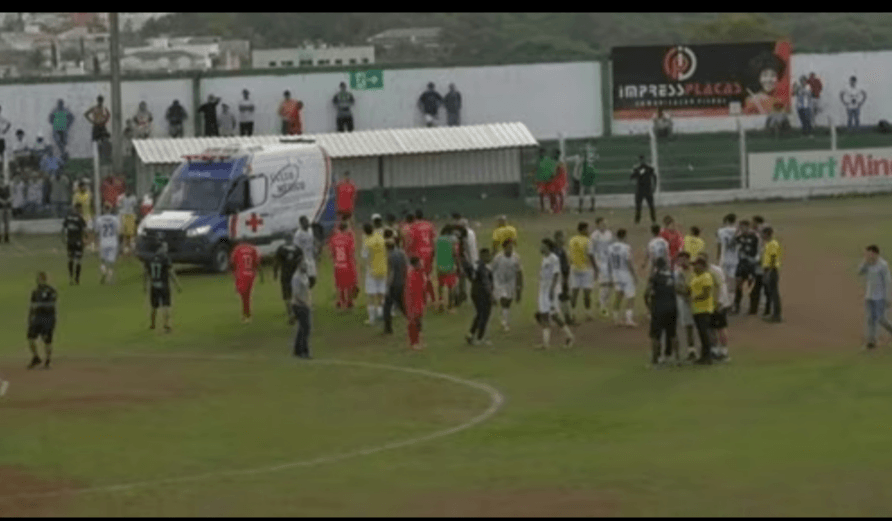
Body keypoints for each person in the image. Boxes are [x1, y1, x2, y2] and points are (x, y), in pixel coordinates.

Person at [536, 238, 575, 349]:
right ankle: (546, 343)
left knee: (554, 315)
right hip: (543, 290)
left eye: (542, 245)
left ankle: (570, 337)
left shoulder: (554, 259)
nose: (541, 247)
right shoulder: (544, 258)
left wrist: (552, 291)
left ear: (547, 247)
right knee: (544, 315)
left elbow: (556, 275)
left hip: (550, 290)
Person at [645, 257, 679, 366]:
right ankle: (677, 358)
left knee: (655, 335)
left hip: (658, 308)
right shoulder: (673, 276)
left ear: (656, 266)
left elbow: (646, 294)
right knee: (673, 334)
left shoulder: (654, 277)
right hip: (672, 308)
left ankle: (655, 359)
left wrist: (649, 307)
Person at [858, 245, 892, 350]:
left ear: (874, 253)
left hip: (880, 297)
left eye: (868, 253)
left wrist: (888, 297)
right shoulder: (868, 264)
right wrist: (865, 262)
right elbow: (860, 272)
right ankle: (872, 342)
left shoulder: (883, 265)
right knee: (871, 320)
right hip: (870, 296)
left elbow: (887, 282)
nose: (866, 255)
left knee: (881, 319)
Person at [144, 241, 181, 332]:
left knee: (154, 306)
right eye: (164, 247)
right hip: (163, 285)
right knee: (166, 305)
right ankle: (166, 325)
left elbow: (146, 273)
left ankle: (152, 324)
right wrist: (177, 284)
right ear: (160, 248)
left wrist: (145, 285)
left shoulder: (150, 259)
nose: (166, 249)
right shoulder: (165, 258)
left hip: (154, 285)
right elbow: (171, 272)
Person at [702, 252, 731, 361]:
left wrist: (720, 302)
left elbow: (721, 287)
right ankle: (714, 349)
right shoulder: (703, 271)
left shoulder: (715, 271)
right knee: (710, 327)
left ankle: (724, 351)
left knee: (720, 327)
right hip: (710, 304)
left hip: (719, 303)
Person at [26, 271, 57, 370]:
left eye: (40, 278)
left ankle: (48, 360)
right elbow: (31, 306)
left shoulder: (51, 291)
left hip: (48, 318)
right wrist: (30, 318)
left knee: (47, 340)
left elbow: (52, 304)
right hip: (37, 319)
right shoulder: (35, 292)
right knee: (30, 338)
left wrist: (39, 306)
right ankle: (36, 357)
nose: (39, 280)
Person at [607, 228, 638, 327]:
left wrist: (610, 276)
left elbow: (609, 263)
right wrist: (634, 275)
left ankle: (616, 320)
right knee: (631, 297)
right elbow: (629, 263)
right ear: (624, 236)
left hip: (615, 274)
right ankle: (629, 320)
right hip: (625, 274)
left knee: (618, 296)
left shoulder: (610, 247)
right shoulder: (626, 247)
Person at [687, 257, 715, 364]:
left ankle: (708, 357)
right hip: (696, 309)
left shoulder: (706, 277)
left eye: (696, 265)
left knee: (705, 333)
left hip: (705, 309)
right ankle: (703, 356)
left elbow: (706, 293)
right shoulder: (694, 276)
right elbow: (690, 289)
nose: (694, 267)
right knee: (701, 333)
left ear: (702, 266)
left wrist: (694, 298)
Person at [490, 239, 523, 332]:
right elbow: (492, 269)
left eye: (511, 247)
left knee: (508, 302)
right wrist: (491, 283)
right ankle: (504, 323)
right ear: (504, 248)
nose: (510, 249)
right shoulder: (498, 257)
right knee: (503, 299)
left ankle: (504, 319)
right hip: (499, 282)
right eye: (508, 247)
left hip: (511, 282)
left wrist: (519, 288)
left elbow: (519, 272)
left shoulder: (516, 257)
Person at [743, 51, 787, 115]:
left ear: (778, 77)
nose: (768, 80)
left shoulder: (780, 101)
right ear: (758, 78)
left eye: (773, 75)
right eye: (765, 75)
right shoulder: (751, 101)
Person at [465, 247, 494, 345]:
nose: (489, 257)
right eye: (488, 255)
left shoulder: (476, 265)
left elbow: (470, 276)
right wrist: (491, 295)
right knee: (484, 315)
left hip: (475, 291)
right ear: (483, 256)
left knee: (479, 314)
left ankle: (471, 334)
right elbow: (486, 283)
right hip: (482, 293)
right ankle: (479, 338)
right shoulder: (482, 267)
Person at [731, 219, 760, 315]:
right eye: (740, 227)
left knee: (750, 287)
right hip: (741, 264)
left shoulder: (754, 237)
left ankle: (753, 308)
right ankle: (736, 305)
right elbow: (731, 246)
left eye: (744, 227)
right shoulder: (738, 237)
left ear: (748, 227)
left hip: (751, 265)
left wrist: (756, 262)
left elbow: (758, 250)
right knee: (738, 284)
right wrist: (735, 234)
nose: (742, 229)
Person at [230, 241, 263, 323]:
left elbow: (232, 262)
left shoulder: (237, 249)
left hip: (240, 274)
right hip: (250, 274)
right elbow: (257, 262)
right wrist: (260, 274)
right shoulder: (253, 249)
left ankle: (246, 314)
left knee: (244, 296)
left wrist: (233, 272)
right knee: (247, 295)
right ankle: (246, 314)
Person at [382, 231, 408, 335]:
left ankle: (388, 329)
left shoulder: (390, 256)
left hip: (394, 284)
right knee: (402, 305)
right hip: (402, 282)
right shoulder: (402, 253)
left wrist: (388, 286)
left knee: (387, 307)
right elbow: (406, 266)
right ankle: (413, 321)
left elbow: (391, 272)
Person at [362, 222, 388, 325]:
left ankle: (372, 319)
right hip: (383, 269)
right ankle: (382, 314)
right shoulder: (380, 238)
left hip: (372, 271)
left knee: (371, 295)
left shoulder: (367, 242)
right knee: (382, 294)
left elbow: (364, 257)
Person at [568, 222, 595, 322]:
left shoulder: (572, 240)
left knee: (574, 292)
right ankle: (587, 313)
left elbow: (570, 254)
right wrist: (595, 268)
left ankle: (573, 313)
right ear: (583, 230)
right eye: (587, 229)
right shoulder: (588, 241)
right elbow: (591, 255)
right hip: (586, 269)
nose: (588, 231)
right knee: (587, 293)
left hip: (574, 268)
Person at [409, 209, 437, 305]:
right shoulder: (429, 225)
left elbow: (412, 240)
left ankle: (424, 298)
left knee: (420, 276)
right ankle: (432, 297)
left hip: (419, 253)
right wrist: (433, 251)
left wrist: (410, 253)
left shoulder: (413, 226)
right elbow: (432, 239)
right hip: (429, 252)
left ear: (415, 217)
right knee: (428, 276)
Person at [329, 221, 358, 310]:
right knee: (349, 283)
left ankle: (341, 301)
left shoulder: (334, 238)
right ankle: (349, 302)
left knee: (339, 284)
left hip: (338, 264)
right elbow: (352, 251)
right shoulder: (348, 238)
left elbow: (331, 252)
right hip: (347, 263)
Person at [588, 217, 614, 316]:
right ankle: (603, 307)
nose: (604, 225)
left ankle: (602, 301)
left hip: (609, 262)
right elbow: (590, 252)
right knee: (605, 284)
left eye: (605, 223)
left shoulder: (609, 234)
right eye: (602, 223)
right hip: (600, 262)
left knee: (611, 284)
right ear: (597, 224)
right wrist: (595, 267)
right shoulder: (594, 236)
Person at [290, 248, 313, 359]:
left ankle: (297, 349)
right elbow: (296, 294)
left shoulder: (304, 275)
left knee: (302, 328)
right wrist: (305, 303)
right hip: (299, 305)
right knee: (305, 328)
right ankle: (304, 351)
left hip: (304, 304)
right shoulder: (296, 277)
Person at [274, 235, 302, 324]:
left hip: (285, 274)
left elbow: (277, 262)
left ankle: (290, 314)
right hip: (296, 274)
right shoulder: (297, 249)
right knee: (296, 293)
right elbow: (301, 262)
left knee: (287, 295)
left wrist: (275, 272)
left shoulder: (281, 249)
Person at [674, 251, 696, 354]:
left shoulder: (695, 270)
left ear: (688, 259)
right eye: (680, 259)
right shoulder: (678, 272)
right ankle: (691, 349)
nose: (682, 261)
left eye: (684, 259)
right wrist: (687, 293)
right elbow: (677, 288)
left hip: (697, 301)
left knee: (701, 325)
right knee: (689, 326)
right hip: (685, 301)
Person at [94, 203, 120, 285]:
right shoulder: (115, 219)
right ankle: (109, 278)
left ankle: (104, 271)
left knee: (102, 261)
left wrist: (95, 242)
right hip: (113, 242)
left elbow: (96, 231)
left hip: (103, 242)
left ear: (103, 209)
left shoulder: (99, 219)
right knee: (111, 263)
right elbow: (118, 230)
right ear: (110, 209)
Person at [435, 224, 459, 313]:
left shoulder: (439, 239)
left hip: (440, 265)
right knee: (451, 286)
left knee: (440, 286)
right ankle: (450, 306)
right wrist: (458, 264)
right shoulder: (453, 239)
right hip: (450, 266)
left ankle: (440, 305)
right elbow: (455, 252)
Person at [761, 226, 782, 323]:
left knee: (774, 294)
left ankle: (777, 316)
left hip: (772, 270)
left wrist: (769, 270)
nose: (762, 235)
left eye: (763, 233)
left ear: (767, 234)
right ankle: (775, 314)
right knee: (772, 293)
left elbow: (773, 257)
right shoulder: (769, 243)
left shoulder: (772, 244)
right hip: (769, 270)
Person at [405, 256, 427, 350]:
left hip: (419, 300)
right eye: (419, 262)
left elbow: (423, 287)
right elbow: (410, 291)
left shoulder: (419, 273)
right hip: (413, 302)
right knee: (413, 322)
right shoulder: (412, 275)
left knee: (419, 321)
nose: (421, 264)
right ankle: (413, 343)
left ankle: (419, 341)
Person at [552, 230, 573, 324]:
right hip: (558, 276)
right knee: (560, 296)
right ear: (557, 238)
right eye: (562, 237)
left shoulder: (561, 249)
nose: (564, 239)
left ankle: (567, 317)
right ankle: (562, 318)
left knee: (565, 296)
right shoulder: (555, 251)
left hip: (564, 275)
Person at [62, 203, 86, 285]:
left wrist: (64, 239)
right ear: (79, 209)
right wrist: (84, 240)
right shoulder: (80, 218)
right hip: (78, 241)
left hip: (70, 241)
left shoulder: (68, 217)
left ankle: (71, 277)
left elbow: (64, 228)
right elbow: (84, 229)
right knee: (78, 260)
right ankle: (77, 279)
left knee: (70, 259)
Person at [716, 214, 739, 294]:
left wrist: (718, 257)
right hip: (735, 257)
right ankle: (732, 296)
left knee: (723, 279)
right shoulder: (737, 230)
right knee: (733, 279)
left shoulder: (720, 231)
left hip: (724, 257)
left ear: (726, 221)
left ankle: (725, 297)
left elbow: (719, 245)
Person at [631, 155, 658, 225]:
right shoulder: (638, 168)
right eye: (641, 160)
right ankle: (637, 220)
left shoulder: (649, 168)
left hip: (647, 190)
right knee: (638, 206)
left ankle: (653, 219)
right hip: (640, 190)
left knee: (651, 206)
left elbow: (654, 177)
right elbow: (632, 177)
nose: (642, 161)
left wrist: (654, 186)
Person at [293, 215, 318, 288]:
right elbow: (296, 248)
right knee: (307, 278)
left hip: (311, 256)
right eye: (304, 222)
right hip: (304, 258)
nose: (307, 223)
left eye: (307, 221)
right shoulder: (298, 234)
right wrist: (299, 260)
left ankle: (306, 290)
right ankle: (304, 292)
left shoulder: (310, 230)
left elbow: (312, 241)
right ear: (301, 224)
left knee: (313, 277)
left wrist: (315, 250)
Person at [533, 148, 556, 213]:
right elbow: (536, 170)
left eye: (542, 153)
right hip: (540, 180)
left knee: (550, 194)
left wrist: (551, 177)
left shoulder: (548, 160)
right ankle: (543, 208)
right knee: (541, 195)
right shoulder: (537, 161)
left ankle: (552, 208)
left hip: (548, 180)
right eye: (540, 153)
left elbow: (552, 168)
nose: (541, 154)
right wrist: (536, 179)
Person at [116, 188, 138, 255]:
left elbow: (135, 207)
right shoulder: (121, 197)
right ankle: (121, 247)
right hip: (122, 215)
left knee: (130, 233)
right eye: (127, 190)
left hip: (130, 215)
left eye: (130, 190)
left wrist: (136, 215)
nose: (128, 191)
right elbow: (118, 206)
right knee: (122, 232)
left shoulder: (134, 198)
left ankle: (128, 247)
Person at [577, 142, 597, 213]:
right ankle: (593, 206)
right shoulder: (593, 153)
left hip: (585, 172)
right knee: (592, 190)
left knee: (582, 190)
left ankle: (580, 207)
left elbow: (581, 161)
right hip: (592, 172)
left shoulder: (584, 153)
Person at [546, 149, 568, 214]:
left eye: (557, 154)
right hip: (554, 181)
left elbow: (562, 173)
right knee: (553, 195)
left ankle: (558, 208)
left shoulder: (560, 163)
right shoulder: (554, 163)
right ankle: (554, 208)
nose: (555, 155)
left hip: (558, 181)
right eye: (555, 154)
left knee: (559, 195)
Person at [0, 179, 10, 243]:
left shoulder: (7, 188)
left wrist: (7, 201)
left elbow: (10, 196)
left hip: (7, 207)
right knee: (0, 222)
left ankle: (6, 236)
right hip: (0, 207)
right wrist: (2, 201)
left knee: (6, 223)